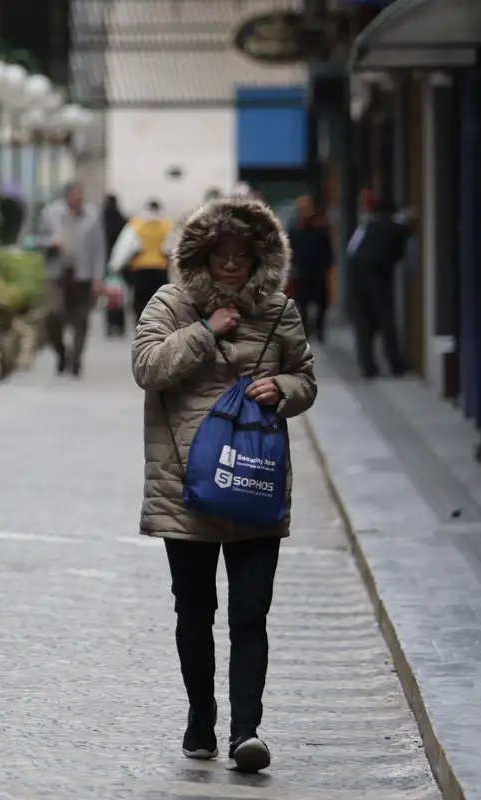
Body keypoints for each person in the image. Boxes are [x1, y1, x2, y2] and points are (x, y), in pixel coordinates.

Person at [130, 196, 317, 774]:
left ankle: (246, 732)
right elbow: (147, 368)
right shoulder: (171, 303)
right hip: (184, 485)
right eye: (221, 255)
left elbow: (307, 377)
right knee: (194, 609)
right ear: (202, 257)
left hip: (255, 482)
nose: (232, 266)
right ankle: (199, 719)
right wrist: (206, 333)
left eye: (243, 255)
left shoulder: (280, 311)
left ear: (260, 258)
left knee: (251, 612)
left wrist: (282, 388)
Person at [37, 181, 104, 376]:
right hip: (57, 274)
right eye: (76, 196)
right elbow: (36, 239)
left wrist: (98, 278)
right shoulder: (50, 214)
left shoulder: (92, 215)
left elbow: (98, 249)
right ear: (67, 197)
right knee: (53, 315)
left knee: (81, 319)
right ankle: (61, 353)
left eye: (81, 196)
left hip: (83, 275)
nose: (79, 200)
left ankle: (76, 359)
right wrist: (51, 242)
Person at [345, 197, 409, 378]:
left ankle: (368, 367)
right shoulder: (398, 227)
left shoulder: (366, 226)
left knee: (363, 322)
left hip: (357, 275)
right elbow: (402, 251)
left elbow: (351, 249)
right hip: (378, 275)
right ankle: (396, 364)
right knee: (386, 319)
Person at [109, 198, 174, 322]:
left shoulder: (135, 224)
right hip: (160, 269)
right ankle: (158, 325)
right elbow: (169, 248)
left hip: (140, 270)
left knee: (141, 302)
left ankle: (141, 326)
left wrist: (114, 265)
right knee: (159, 301)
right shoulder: (167, 225)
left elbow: (125, 247)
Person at [285, 196, 333, 341]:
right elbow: (289, 251)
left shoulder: (321, 231)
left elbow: (328, 251)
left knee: (321, 305)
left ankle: (319, 329)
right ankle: (306, 330)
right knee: (303, 305)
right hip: (301, 273)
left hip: (318, 273)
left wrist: (326, 265)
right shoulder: (294, 232)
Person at [100, 194, 129, 338]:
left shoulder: (101, 219)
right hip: (120, 262)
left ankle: (110, 324)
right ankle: (120, 325)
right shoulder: (121, 219)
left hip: (105, 261)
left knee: (109, 296)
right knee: (119, 296)